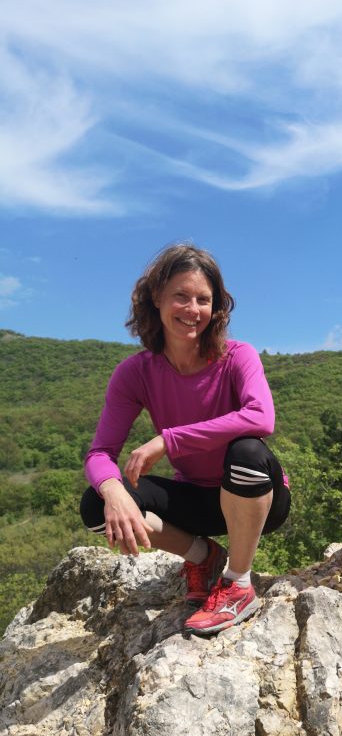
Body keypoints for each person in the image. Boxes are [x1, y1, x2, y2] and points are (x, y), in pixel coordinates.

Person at [80, 244, 290, 636]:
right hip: (196, 501)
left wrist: (168, 441)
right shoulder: (135, 373)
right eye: (181, 296)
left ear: (216, 307)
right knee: (96, 505)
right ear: (156, 297)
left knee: (246, 451)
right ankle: (203, 556)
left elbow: (261, 417)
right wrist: (113, 491)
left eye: (203, 300)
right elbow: (100, 453)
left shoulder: (238, 356)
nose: (192, 309)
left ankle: (238, 584)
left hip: (255, 494)